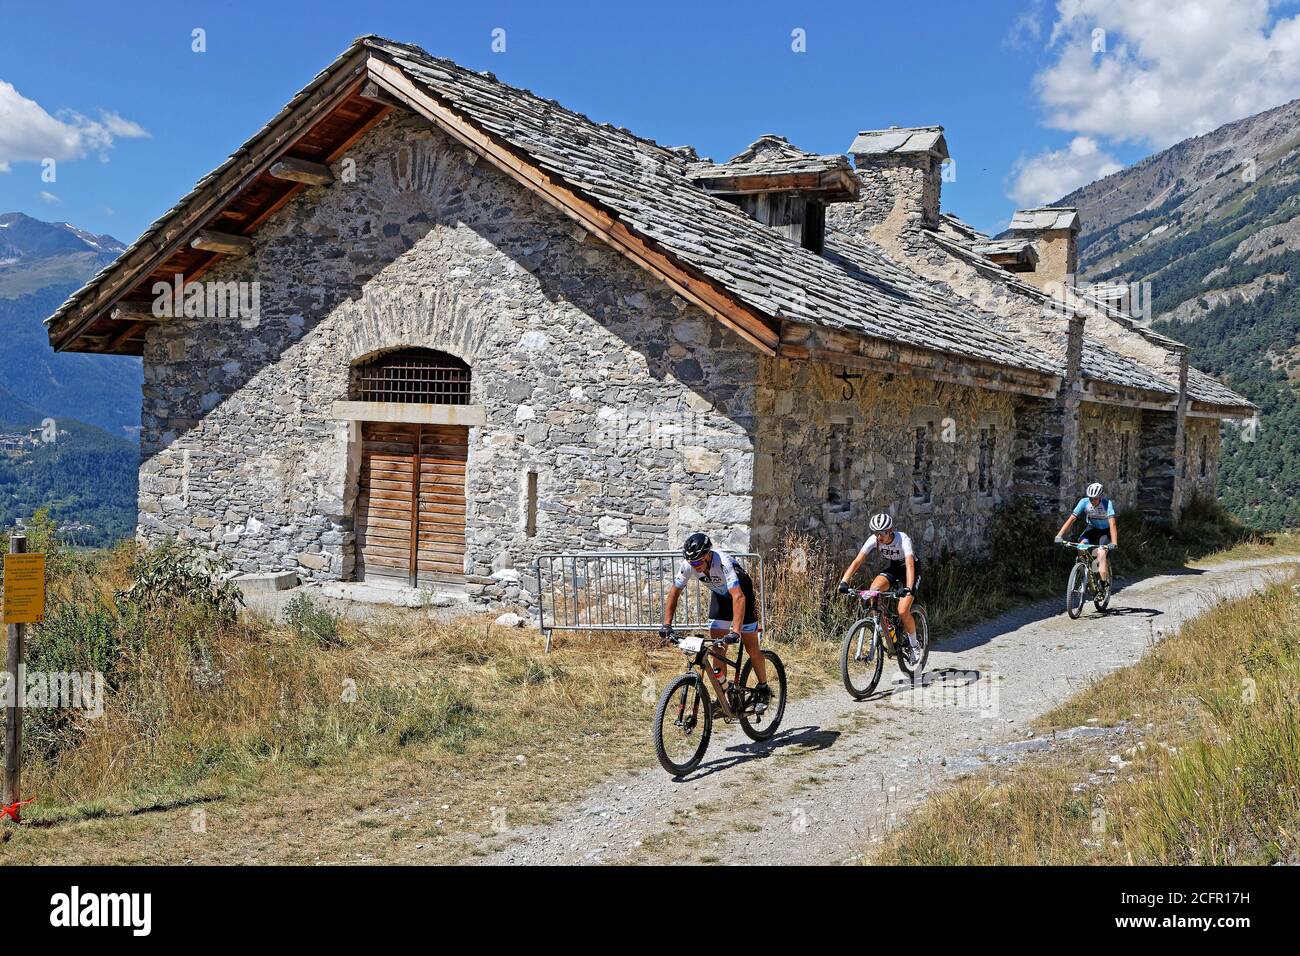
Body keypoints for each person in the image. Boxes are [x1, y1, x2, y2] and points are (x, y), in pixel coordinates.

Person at [660, 532, 769, 709]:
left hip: (742, 597)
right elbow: (674, 592)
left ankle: (763, 687)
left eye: (697, 563)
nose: (694, 567)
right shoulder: (690, 564)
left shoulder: (723, 563)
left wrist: (735, 631)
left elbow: (738, 597)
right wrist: (667, 624)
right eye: (691, 563)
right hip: (720, 597)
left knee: (751, 645)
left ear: (708, 555)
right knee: (718, 648)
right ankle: (723, 697)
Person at [837, 512, 922, 662]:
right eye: (876, 533)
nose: (879, 537)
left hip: (911, 570)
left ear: (890, 530)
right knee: (872, 591)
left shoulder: (903, 539)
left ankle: (914, 646)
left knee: (903, 610)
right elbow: (857, 561)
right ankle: (879, 627)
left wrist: (908, 588)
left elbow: (909, 564)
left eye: (882, 533)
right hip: (894, 568)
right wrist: (844, 582)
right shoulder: (874, 540)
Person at [1055, 481, 1119, 583]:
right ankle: (1085, 572)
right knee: (1081, 547)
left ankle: (1102, 585)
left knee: (1101, 553)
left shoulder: (1107, 504)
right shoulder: (1084, 502)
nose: (1092, 500)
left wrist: (1114, 542)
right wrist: (1059, 535)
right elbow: (1071, 519)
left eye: (1095, 498)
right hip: (1092, 528)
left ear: (1101, 496)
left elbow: (1112, 525)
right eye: (1090, 498)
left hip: (1105, 532)